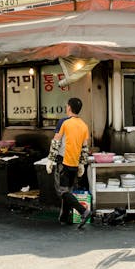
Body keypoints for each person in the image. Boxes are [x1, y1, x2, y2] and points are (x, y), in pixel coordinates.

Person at [46, 97, 92, 229]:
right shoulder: (84, 125)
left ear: (69, 108)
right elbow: (85, 148)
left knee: (62, 191)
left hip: (63, 161)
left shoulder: (64, 122)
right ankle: (64, 218)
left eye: (67, 106)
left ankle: (83, 211)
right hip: (75, 163)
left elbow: (56, 142)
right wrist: (82, 164)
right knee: (68, 191)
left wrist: (50, 159)